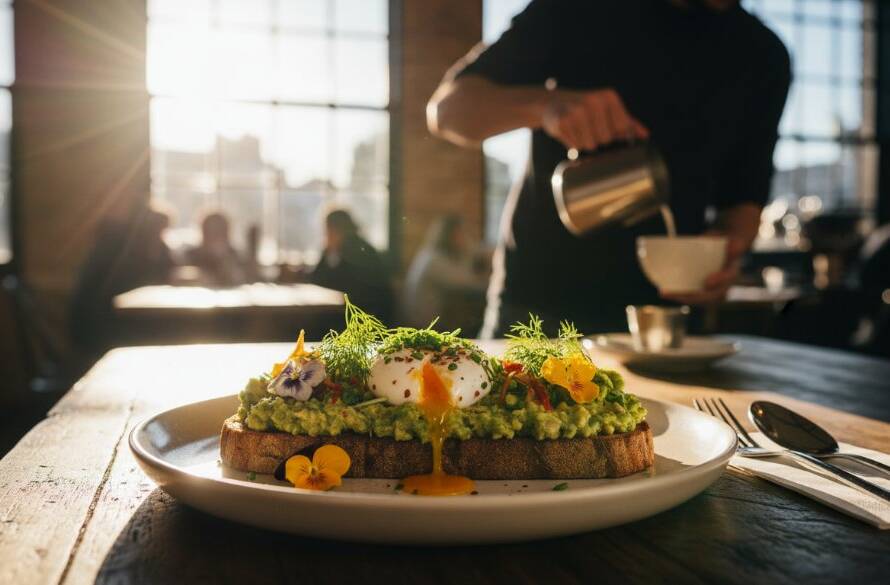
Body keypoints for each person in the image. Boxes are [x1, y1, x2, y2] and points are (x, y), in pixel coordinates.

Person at [427, 0, 790, 336]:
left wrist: (725, 255)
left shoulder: (764, 56)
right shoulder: (580, 7)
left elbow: (745, 197)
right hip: (540, 308)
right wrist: (545, 106)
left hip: (666, 320)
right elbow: (447, 112)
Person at [70, 203, 174, 353]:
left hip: (114, 324)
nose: (159, 235)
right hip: (99, 329)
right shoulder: (119, 250)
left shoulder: (149, 246)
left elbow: (166, 271)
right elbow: (128, 290)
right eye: (157, 229)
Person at [403, 215, 490, 328]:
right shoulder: (435, 261)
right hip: (421, 327)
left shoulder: (431, 254)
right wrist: (467, 251)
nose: (465, 237)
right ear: (451, 235)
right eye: (461, 233)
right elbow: (471, 283)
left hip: (423, 322)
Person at [310, 209, 392, 320]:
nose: (326, 234)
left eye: (328, 230)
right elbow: (317, 278)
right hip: (351, 309)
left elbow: (339, 282)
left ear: (336, 229)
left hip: (367, 314)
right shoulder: (335, 249)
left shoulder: (357, 249)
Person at [185, 211, 252, 287]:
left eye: (220, 229)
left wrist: (224, 259)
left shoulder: (236, 255)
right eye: (211, 229)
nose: (216, 234)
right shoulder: (191, 255)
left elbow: (242, 280)